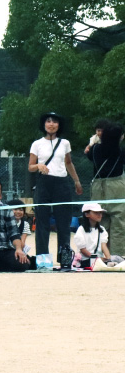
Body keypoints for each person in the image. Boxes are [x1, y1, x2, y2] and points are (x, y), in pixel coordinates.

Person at [28, 112, 82, 264]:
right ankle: (43, 260)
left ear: (59, 125)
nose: (51, 124)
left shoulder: (64, 143)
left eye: (54, 121)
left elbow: (68, 163)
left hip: (61, 182)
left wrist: (76, 181)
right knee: (42, 222)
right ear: (44, 124)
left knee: (64, 223)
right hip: (43, 182)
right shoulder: (37, 144)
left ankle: (64, 259)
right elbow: (30, 167)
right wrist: (38, 165)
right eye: (48, 121)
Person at [88, 122, 125, 255]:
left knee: (100, 221)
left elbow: (88, 154)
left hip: (98, 187)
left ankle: (100, 254)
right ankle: (118, 256)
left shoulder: (96, 149)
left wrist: (92, 142)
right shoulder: (121, 151)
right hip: (117, 187)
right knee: (119, 223)